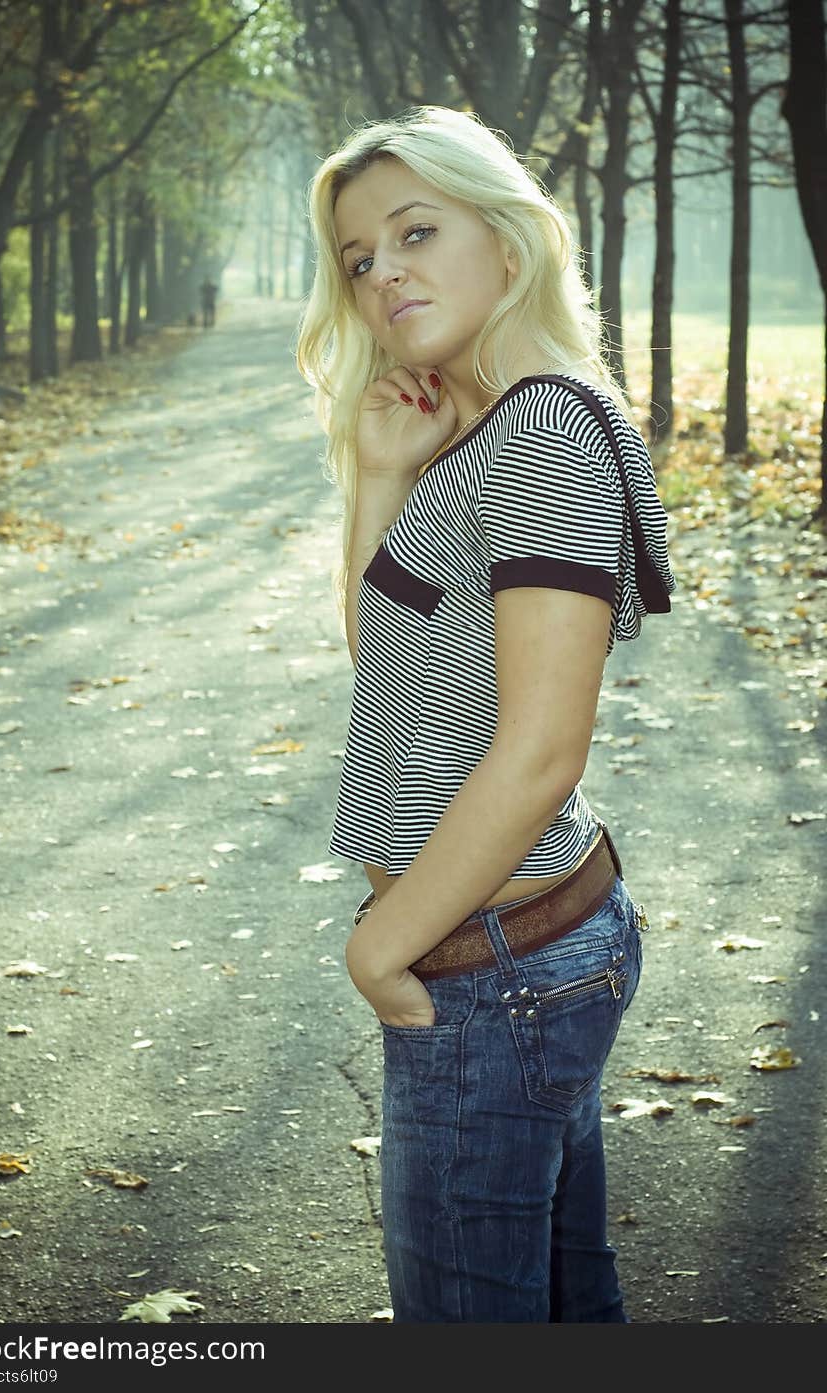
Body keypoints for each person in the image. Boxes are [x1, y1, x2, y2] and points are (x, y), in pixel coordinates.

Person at [295, 105, 676, 1323]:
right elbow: (394, 661)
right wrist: (383, 473)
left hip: (491, 965)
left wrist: (381, 938)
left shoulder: (544, 435)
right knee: (565, 1311)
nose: (382, 270)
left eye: (416, 230)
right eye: (358, 258)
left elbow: (543, 749)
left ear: (507, 242)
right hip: (513, 948)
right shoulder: (490, 432)